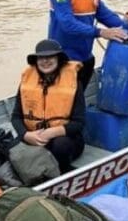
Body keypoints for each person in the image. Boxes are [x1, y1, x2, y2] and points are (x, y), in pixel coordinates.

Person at [11, 39, 86, 173]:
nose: (45, 61)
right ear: (36, 61)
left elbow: (79, 123)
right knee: (10, 146)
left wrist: (51, 133)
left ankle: (61, 175)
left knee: (61, 146)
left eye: (50, 56)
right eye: (41, 58)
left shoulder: (73, 83)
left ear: (58, 59)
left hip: (64, 139)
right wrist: (26, 135)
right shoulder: (27, 83)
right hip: (34, 136)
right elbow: (16, 117)